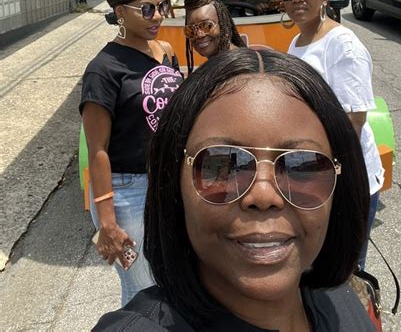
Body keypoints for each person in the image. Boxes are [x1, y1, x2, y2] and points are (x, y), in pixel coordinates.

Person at [93, 48, 375, 331]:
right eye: (224, 164)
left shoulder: (342, 303)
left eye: (301, 166)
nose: (263, 196)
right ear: (174, 185)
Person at [80, 0, 183, 306]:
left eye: (162, 7)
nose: (158, 17)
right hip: (128, 192)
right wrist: (107, 222)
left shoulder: (165, 51)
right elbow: (97, 149)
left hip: (167, 182)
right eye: (148, 10)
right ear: (121, 12)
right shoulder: (103, 70)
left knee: (169, 276)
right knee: (141, 288)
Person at [280, 0, 384, 269]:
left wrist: (331, 178)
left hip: (344, 176)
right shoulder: (298, 42)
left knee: (346, 268)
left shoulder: (343, 45)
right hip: (312, 173)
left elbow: (354, 121)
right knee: (318, 263)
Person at [183, 0, 246, 74]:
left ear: (223, 25)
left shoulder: (239, 67)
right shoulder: (214, 67)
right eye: (191, 29)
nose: (199, 35)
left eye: (207, 26)